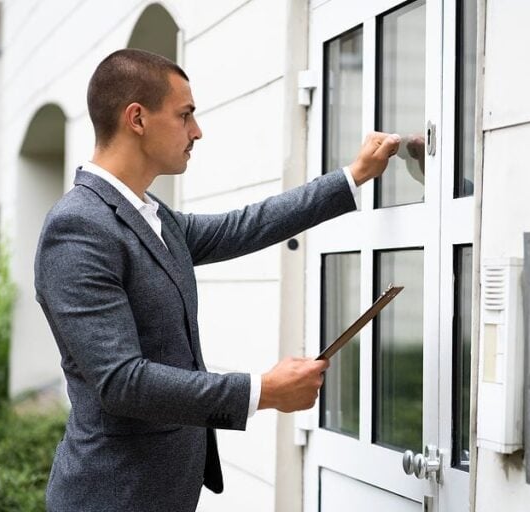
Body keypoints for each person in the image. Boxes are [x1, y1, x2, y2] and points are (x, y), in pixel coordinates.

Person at [34, 48, 401, 512]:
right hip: (114, 495)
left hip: (165, 492)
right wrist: (262, 390)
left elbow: (243, 226)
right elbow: (122, 382)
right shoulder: (78, 227)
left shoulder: (151, 216)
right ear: (137, 119)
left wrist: (354, 176)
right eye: (185, 115)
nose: (196, 131)